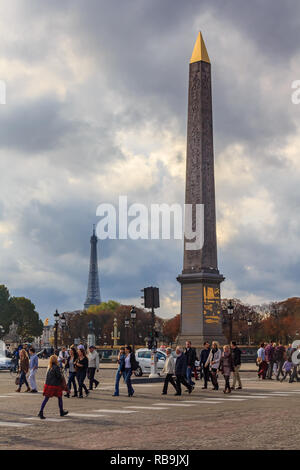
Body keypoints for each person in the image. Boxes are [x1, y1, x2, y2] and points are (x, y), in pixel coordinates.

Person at [38, 355, 68, 419]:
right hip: (55, 385)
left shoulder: (49, 367)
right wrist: (61, 372)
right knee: (60, 398)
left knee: (46, 399)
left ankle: (41, 411)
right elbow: (59, 376)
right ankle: (61, 411)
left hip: (48, 385)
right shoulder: (56, 367)